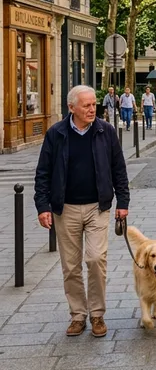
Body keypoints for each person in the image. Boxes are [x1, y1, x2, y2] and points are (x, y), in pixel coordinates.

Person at [34, 85, 130, 338]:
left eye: (93, 104)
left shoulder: (105, 131)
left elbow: (118, 168)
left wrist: (123, 202)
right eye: (86, 105)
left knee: (96, 259)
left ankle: (97, 314)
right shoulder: (56, 133)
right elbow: (43, 172)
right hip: (65, 209)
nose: (92, 109)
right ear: (71, 108)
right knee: (71, 265)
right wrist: (43, 206)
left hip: (98, 207)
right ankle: (78, 315)